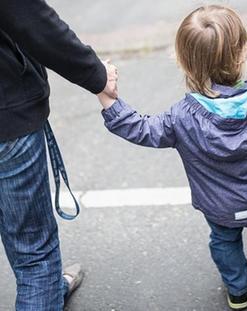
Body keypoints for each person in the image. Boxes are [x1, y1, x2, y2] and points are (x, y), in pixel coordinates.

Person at [97, 5, 247, 311]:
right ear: (244, 51)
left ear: (182, 61)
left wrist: (105, 95)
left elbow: (141, 129)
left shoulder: (181, 117)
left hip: (219, 207)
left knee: (224, 242)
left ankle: (238, 291)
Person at [0, 0, 117, 310]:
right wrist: (97, 75)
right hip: (6, 119)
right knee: (34, 258)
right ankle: (44, 291)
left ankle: (49, 290)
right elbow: (31, 20)